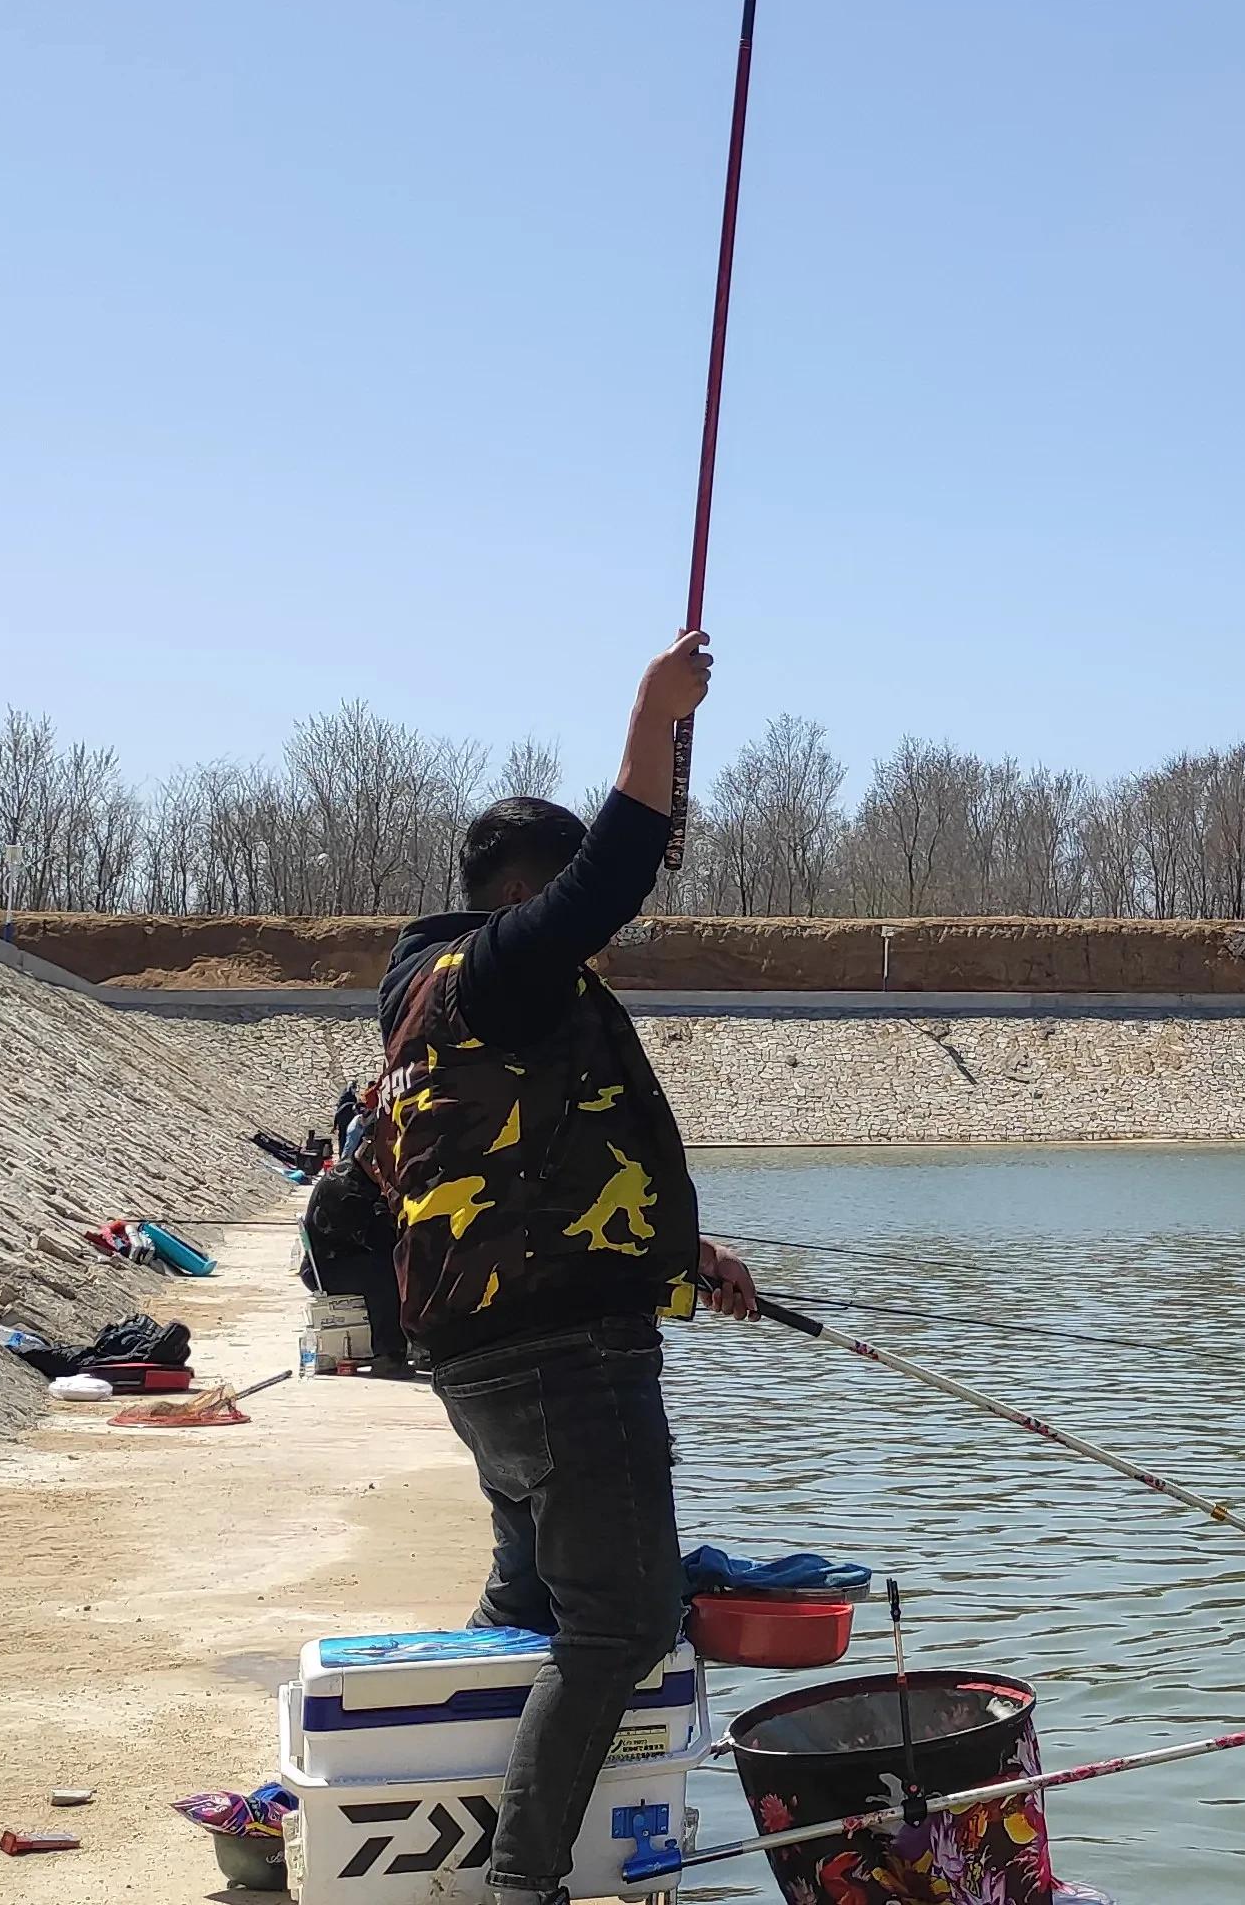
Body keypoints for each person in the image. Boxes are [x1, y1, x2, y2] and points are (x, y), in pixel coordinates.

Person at [371, 627, 764, 1905]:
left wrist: (676, 1253)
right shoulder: (500, 969)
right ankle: (520, 1882)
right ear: (522, 892)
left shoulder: (442, 1004)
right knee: (618, 1623)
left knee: (529, 1602)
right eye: (561, 908)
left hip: (485, 1356)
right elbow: (605, 880)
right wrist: (656, 714)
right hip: (560, 1365)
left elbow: (537, 1174)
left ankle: (430, 1816)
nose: (587, 938)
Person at [302, 1076, 409, 1377]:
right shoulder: (347, 1186)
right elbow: (381, 1237)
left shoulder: (360, 1178)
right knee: (386, 1273)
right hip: (327, 1266)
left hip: (345, 1255)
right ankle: (390, 1352)